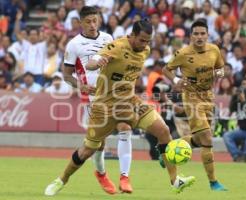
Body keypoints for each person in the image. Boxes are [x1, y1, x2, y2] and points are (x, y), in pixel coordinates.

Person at [44, 19, 195, 196]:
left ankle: (175, 181)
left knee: (163, 131)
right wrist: (97, 63)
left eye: (148, 41)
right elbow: (93, 62)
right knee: (87, 150)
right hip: (105, 107)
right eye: (142, 40)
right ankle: (61, 180)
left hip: (130, 102)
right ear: (132, 36)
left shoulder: (144, 50)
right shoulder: (116, 47)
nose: (145, 44)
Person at [45, 6, 133, 195]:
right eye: (88, 22)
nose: (93, 25)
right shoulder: (74, 45)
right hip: (94, 99)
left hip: (115, 94)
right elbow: (67, 75)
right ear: (80, 23)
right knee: (96, 145)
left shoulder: (109, 39)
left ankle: (124, 177)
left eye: (95, 20)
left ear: (99, 20)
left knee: (125, 127)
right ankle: (100, 173)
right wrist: (81, 87)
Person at [163, 19, 227, 191]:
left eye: (202, 33)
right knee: (206, 138)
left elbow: (221, 68)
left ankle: (169, 153)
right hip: (191, 98)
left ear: (207, 35)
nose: (199, 37)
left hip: (208, 97)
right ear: (191, 36)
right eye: (196, 34)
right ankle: (214, 182)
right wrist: (176, 80)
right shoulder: (183, 53)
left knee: (198, 139)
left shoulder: (214, 50)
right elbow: (166, 69)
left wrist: (220, 73)